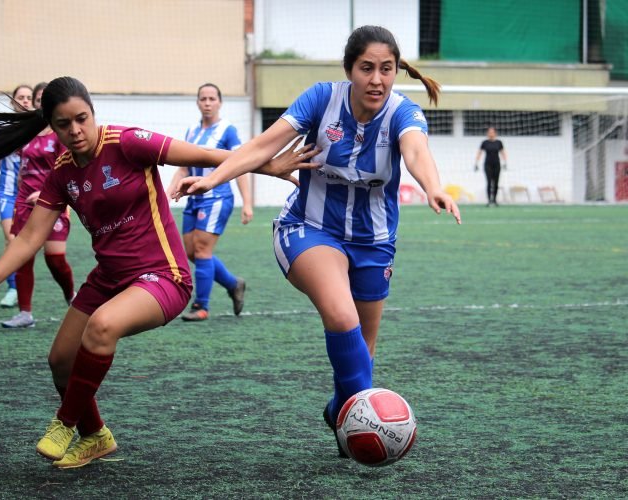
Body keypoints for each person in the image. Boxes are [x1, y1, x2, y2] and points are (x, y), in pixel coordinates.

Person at [0, 76, 317, 469]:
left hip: (164, 276)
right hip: (108, 278)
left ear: (92, 112)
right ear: (51, 126)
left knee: (102, 327)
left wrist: (268, 165)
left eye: (81, 118)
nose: (75, 131)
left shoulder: (126, 142)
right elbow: (28, 239)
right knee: (60, 360)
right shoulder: (62, 172)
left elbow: (206, 154)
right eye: (63, 124)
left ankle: (64, 422)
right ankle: (94, 437)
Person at [173, 26, 461, 459]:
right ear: (349, 70)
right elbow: (261, 146)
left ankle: (341, 413)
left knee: (362, 353)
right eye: (367, 69)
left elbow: (417, 151)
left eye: (386, 69)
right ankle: (367, 422)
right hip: (308, 228)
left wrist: (433, 186)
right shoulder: (320, 100)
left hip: (375, 243)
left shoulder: (405, 112)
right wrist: (213, 178)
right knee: (340, 313)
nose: (377, 80)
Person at [166, 83, 252, 322]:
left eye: (212, 98)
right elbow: (183, 168)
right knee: (192, 253)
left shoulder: (228, 130)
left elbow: (242, 165)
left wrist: (247, 202)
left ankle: (201, 306)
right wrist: (171, 188)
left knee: (203, 250)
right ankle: (234, 284)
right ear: (197, 102)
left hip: (217, 198)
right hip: (194, 199)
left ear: (219, 102)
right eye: (203, 98)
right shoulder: (192, 132)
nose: (207, 102)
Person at [1, 81, 76, 328]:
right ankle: (25, 314)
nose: (42, 103)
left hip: (52, 202)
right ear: (34, 104)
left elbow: (68, 169)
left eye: (47, 98)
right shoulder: (26, 133)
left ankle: (71, 297)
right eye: (38, 99)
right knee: (22, 257)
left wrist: (48, 194)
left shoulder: (61, 134)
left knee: (55, 259)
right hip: (25, 203)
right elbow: (22, 170)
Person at [0, 84, 33, 308]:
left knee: (30, 245)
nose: (25, 101)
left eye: (28, 98)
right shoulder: (4, 129)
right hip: (6, 193)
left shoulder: (38, 129)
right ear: (12, 102)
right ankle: (13, 288)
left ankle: (20, 286)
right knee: (12, 239)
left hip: (30, 194)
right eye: (21, 97)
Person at [474, 126, 507, 206]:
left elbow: (503, 152)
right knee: (489, 182)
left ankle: (495, 200)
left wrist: (505, 162)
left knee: (496, 183)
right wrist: (476, 163)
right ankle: (489, 200)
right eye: (489, 132)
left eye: (492, 132)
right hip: (487, 164)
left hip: (497, 164)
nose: (490, 134)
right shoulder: (485, 142)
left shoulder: (499, 142)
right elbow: (479, 152)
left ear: (495, 133)